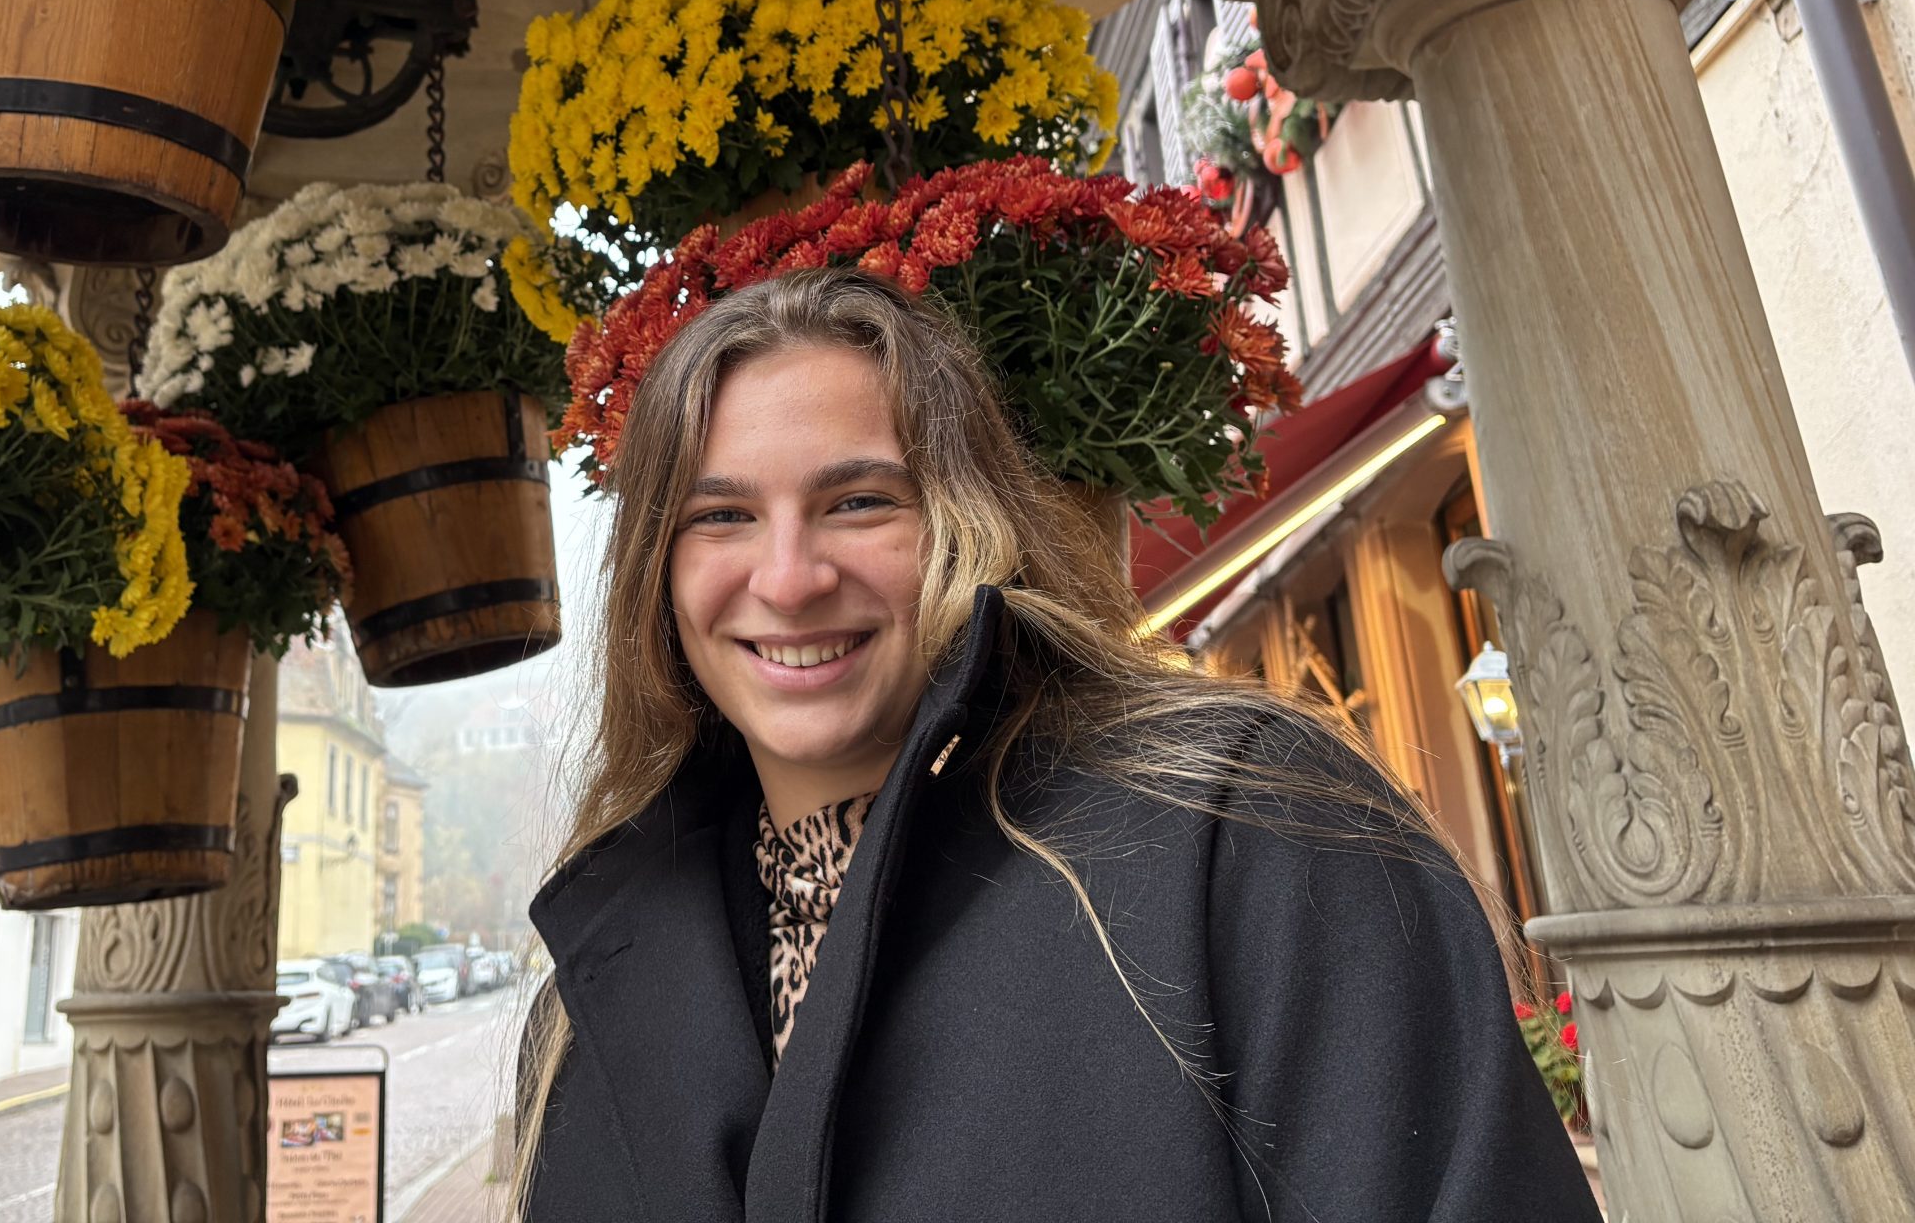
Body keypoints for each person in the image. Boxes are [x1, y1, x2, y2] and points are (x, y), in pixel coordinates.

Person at [511, 270, 1595, 1222]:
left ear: (965, 520)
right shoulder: (593, 984)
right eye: (722, 517)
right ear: (657, 570)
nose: (789, 578)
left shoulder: (1237, 823)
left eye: (858, 501)